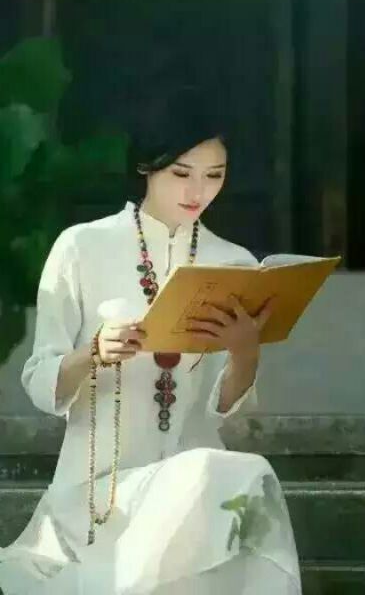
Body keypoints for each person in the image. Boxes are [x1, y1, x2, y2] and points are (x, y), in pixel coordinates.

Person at [0, 122, 302, 594]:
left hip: (194, 485)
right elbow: (41, 381)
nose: (198, 191)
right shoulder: (82, 247)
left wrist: (245, 352)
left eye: (215, 175)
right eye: (182, 173)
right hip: (100, 493)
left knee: (240, 478)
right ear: (146, 166)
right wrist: (93, 353)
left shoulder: (234, 263)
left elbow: (224, 410)